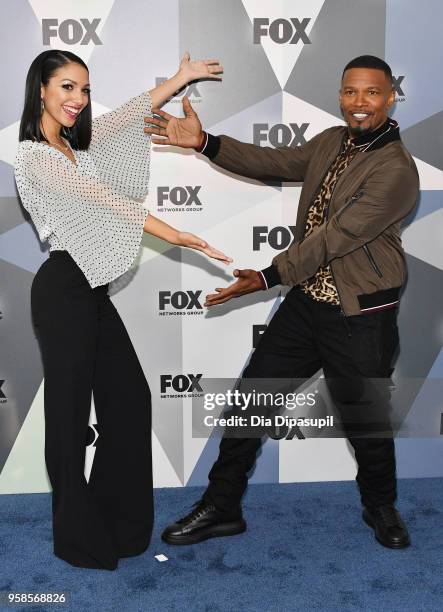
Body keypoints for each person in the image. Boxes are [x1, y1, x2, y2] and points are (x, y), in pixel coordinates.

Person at [146, 55, 420, 550]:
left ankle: (381, 507)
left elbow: (337, 238)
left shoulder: (396, 169)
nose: (360, 103)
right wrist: (206, 144)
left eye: (372, 93)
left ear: (390, 97)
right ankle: (222, 506)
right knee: (251, 402)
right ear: (341, 95)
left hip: (360, 315)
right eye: (351, 92)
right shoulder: (332, 142)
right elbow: (274, 162)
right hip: (308, 303)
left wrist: (269, 276)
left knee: (366, 422)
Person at [14, 49, 230, 570]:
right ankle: (77, 537)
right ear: (40, 89)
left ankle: (118, 521)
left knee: (129, 399)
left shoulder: (75, 146)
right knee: (68, 418)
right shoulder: (34, 156)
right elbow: (105, 200)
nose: (77, 100)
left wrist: (179, 78)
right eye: (66, 87)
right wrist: (177, 234)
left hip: (88, 290)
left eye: (84, 90)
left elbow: (125, 118)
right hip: (62, 288)